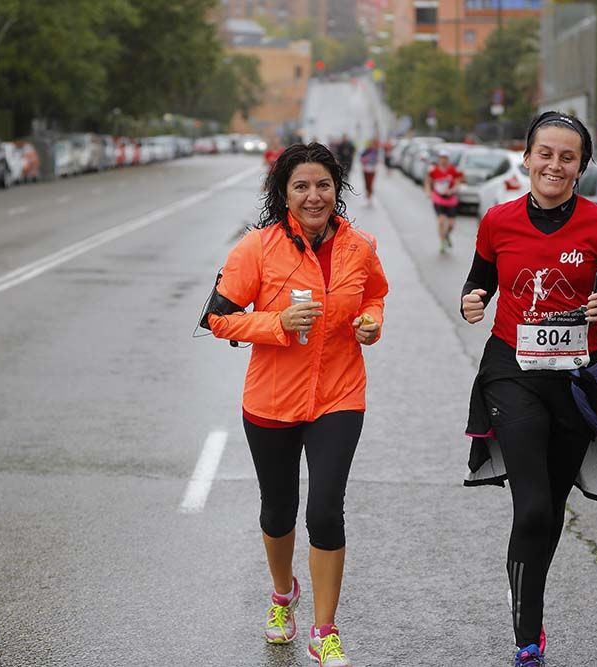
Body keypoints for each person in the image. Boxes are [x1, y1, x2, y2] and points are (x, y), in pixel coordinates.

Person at [459, 111, 597, 667]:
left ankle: (529, 611)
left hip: (576, 381)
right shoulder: (498, 220)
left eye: (567, 157)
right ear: (527, 157)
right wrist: (472, 300)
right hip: (511, 371)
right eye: (545, 153)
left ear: (581, 165)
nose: (554, 165)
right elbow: (479, 281)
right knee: (532, 506)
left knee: (550, 508)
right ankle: (528, 640)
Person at [203, 142, 388, 667]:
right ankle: (283, 594)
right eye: (301, 186)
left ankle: (324, 629)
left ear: (337, 189)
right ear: (283, 192)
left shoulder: (360, 246)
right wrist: (275, 325)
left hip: (339, 394)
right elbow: (217, 319)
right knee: (278, 510)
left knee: (326, 511)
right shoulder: (256, 249)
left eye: (323, 185)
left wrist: (372, 323)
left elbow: (375, 295)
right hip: (272, 399)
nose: (313, 196)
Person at [424, 149, 463, 253]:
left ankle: (446, 235)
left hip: (450, 200)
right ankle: (442, 243)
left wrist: (453, 189)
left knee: (451, 224)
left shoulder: (452, 170)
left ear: (448, 159)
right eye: (441, 158)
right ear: (439, 159)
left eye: (445, 158)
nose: (443, 160)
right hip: (438, 198)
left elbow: (458, 181)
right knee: (441, 221)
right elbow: (428, 182)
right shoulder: (434, 170)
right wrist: (428, 192)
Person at [359, 140, 379, 205]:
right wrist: (366, 159)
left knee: (371, 183)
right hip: (366, 169)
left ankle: (370, 195)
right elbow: (361, 159)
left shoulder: (375, 151)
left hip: (372, 169)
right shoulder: (365, 151)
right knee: (367, 182)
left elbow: (377, 159)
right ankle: (367, 193)